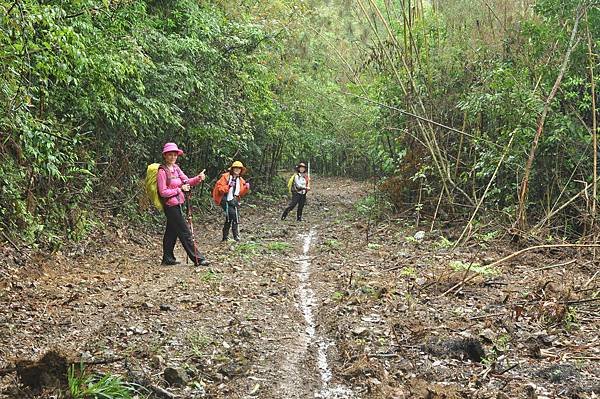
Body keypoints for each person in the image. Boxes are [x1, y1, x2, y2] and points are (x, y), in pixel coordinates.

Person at [157, 142, 209, 266]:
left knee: (171, 231)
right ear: (165, 155)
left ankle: (167, 258)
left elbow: (187, 181)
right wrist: (179, 189)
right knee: (184, 231)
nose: (173, 157)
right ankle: (198, 259)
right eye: (170, 154)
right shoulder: (162, 172)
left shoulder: (176, 168)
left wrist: (198, 178)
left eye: (175, 155)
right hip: (170, 206)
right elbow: (163, 192)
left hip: (178, 203)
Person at [212, 161, 250, 241]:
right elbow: (220, 190)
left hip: (234, 200)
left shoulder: (241, 180)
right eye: (235, 168)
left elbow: (240, 193)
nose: (237, 170)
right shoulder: (225, 177)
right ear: (232, 169)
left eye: (239, 168)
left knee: (229, 218)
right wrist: (228, 186)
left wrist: (246, 188)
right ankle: (236, 237)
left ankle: (225, 237)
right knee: (234, 216)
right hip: (224, 199)